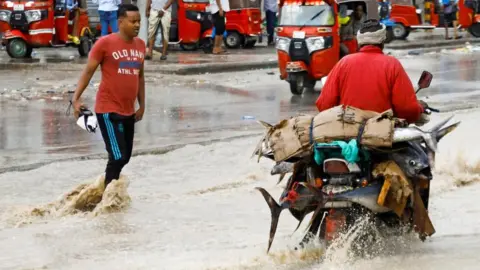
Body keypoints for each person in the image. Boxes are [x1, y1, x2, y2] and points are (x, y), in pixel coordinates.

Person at [71, 4, 146, 187]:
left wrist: (142, 105)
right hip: (108, 110)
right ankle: (106, 198)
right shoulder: (104, 43)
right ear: (120, 22)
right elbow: (88, 72)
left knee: (125, 156)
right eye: (133, 21)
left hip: (128, 110)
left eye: (139, 21)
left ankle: (104, 188)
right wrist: (76, 98)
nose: (137, 25)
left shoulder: (141, 45)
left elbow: (140, 76)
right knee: (118, 155)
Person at [315, 19, 428, 125]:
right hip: (382, 134)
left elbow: (324, 105)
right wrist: (420, 108)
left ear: (359, 42)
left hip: (348, 134)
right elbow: (407, 109)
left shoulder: (343, 63)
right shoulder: (392, 64)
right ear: (382, 42)